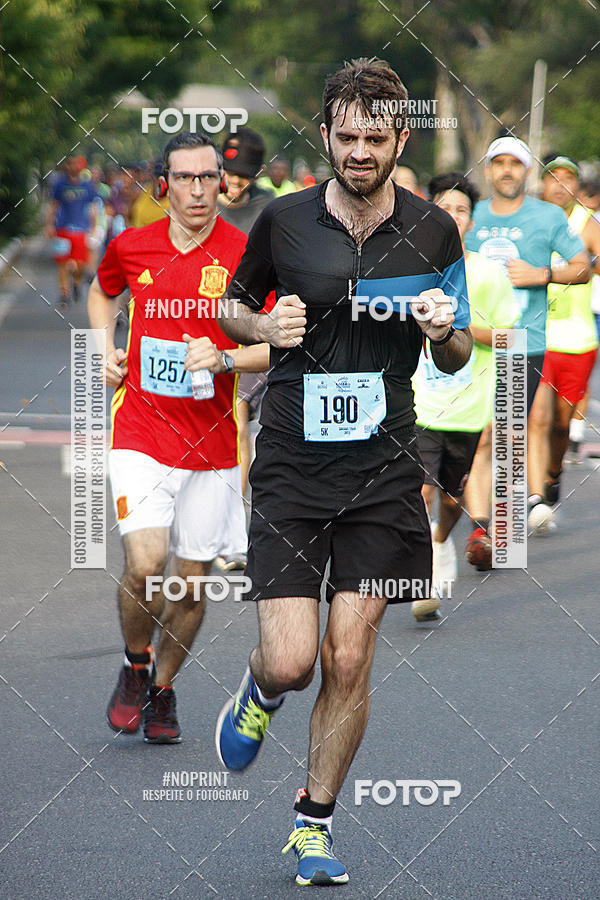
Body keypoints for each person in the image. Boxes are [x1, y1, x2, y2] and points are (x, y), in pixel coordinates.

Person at [214, 58, 472, 886]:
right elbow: (231, 304)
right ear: (324, 134)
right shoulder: (283, 223)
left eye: (376, 137)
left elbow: (463, 349)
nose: (359, 151)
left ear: (401, 137)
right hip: (292, 458)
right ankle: (259, 691)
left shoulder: (435, 231)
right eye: (346, 135)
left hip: (385, 468)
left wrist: (443, 331)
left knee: (351, 657)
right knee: (292, 660)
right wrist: (265, 319)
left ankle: (313, 824)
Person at [87, 131, 269, 744]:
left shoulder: (246, 254)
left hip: (214, 442)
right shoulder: (133, 246)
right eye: (185, 178)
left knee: (190, 585)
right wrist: (103, 347)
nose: (198, 190)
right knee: (146, 563)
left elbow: (277, 341)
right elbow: (101, 290)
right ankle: (136, 664)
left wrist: (224, 358)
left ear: (223, 181)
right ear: (163, 185)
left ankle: (162, 690)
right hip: (139, 429)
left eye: (208, 177)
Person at [464, 136, 590, 564]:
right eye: (498, 163)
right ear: (488, 171)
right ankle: (479, 530)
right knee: (481, 437)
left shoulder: (547, 216)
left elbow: (583, 267)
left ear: (526, 171)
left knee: (510, 435)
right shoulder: (471, 216)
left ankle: (503, 531)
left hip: (523, 339)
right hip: (474, 340)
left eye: (514, 164)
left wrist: (542, 273)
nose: (506, 171)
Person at [411, 173, 519, 618]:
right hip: (418, 402)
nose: (453, 217)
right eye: (446, 208)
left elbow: (508, 338)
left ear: (472, 222)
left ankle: (440, 541)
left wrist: (457, 326)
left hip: (468, 405)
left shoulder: (488, 274)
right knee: (417, 489)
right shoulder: (410, 265)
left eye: (462, 211)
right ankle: (423, 575)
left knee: (452, 496)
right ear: (430, 214)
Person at [527, 156, 600, 524]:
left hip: (577, 340)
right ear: (543, 184)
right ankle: (535, 494)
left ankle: (552, 474)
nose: (560, 185)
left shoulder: (587, 226)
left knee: (559, 424)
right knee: (535, 418)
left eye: (568, 179)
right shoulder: (531, 221)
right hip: (536, 336)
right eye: (553, 178)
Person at [218, 128, 276, 510]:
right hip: (211, 324)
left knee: (246, 427)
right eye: (230, 175)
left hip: (255, 326)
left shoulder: (268, 208)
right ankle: (224, 523)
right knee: (230, 424)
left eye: (245, 178)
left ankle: (232, 521)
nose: (235, 184)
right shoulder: (202, 202)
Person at [46, 156, 98, 308]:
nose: (73, 167)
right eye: (70, 164)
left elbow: (92, 207)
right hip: (62, 228)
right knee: (62, 263)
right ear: (67, 166)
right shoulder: (60, 184)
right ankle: (64, 293)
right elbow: (54, 205)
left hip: (81, 229)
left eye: (76, 164)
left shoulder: (87, 185)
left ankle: (76, 283)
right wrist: (49, 224)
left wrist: (94, 226)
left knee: (80, 264)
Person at [129, 160, 170, 228]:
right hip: (138, 236)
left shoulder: (174, 199)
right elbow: (127, 217)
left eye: (165, 177)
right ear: (153, 177)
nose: (161, 180)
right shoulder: (139, 193)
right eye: (158, 177)